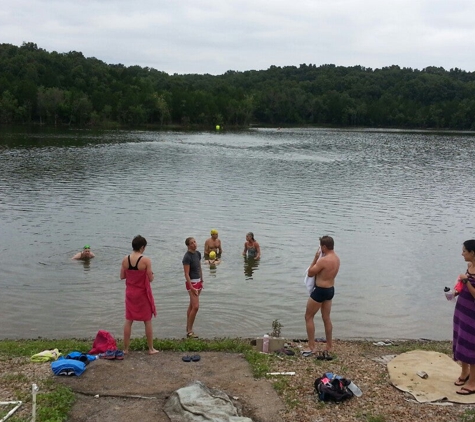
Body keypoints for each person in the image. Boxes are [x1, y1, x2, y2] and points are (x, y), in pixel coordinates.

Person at [302, 235, 340, 358]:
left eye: (320, 246)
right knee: (326, 317)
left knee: (308, 316)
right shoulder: (337, 259)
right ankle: (329, 345)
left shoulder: (323, 260)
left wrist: (315, 258)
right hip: (330, 290)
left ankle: (311, 347)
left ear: (324, 246)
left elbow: (310, 272)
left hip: (320, 290)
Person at [120, 235, 158, 355]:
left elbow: (122, 276)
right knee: (147, 320)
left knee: (129, 320)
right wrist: (152, 274)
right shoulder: (146, 260)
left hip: (130, 293)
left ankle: (125, 349)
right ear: (142, 247)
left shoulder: (125, 259)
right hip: (142, 293)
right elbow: (150, 278)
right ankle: (151, 348)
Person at [453, 239, 475, 395]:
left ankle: (473, 383)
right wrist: (456, 290)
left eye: (464, 251)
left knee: (472, 345)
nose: (462, 254)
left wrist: (466, 281)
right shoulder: (469, 266)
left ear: (472, 253)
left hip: (473, 313)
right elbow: (465, 286)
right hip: (462, 310)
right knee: (461, 339)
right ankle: (464, 372)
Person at [182, 237, 204, 338]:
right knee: (196, 306)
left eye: (195, 242)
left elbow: (199, 267)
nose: (194, 244)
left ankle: (188, 328)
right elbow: (186, 273)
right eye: (191, 243)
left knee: (191, 305)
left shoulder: (198, 254)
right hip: (192, 283)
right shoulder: (187, 257)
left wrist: (202, 280)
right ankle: (190, 331)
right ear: (188, 245)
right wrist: (191, 287)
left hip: (198, 281)